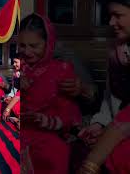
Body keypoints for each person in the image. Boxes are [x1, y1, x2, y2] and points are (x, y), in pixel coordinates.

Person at [21, 14, 82, 174]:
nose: (27, 51)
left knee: (53, 155)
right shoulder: (20, 68)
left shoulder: (62, 70)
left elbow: (68, 115)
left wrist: (47, 121)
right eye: (22, 45)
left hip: (50, 135)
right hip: (22, 131)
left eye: (34, 46)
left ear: (48, 44)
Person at [78, 0, 130, 173]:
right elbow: (111, 99)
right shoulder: (117, 51)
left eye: (118, 15)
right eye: (109, 15)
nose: (111, 22)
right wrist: (100, 124)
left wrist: (92, 163)